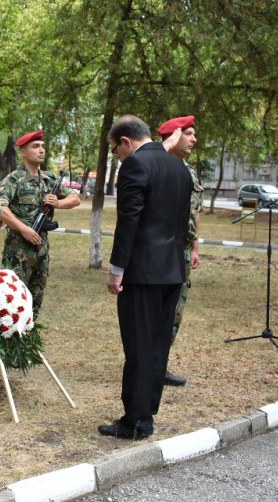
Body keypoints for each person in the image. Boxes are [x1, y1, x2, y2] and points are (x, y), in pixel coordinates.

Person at [100, 115, 192, 440]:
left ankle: (135, 421)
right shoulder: (178, 167)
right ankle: (147, 413)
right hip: (171, 271)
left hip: (142, 273)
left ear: (125, 141)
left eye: (116, 151)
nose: (118, 157)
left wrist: (116, 270)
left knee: (138, 347)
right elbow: (182, 224)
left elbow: (129, 220)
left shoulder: (135, 165)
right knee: (156, 348)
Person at [0, 130, 80, 320]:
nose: (41, 150)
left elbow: (75, 198)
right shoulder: (14, 180)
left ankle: (29, 343)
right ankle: (11, 346)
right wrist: (23, 228)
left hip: (42, 248)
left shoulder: (49, 179)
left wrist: (58, 203)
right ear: (23, 152)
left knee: (35, 301)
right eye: (35, 146)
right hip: (18, 250)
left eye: (42, 146)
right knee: (12, 301)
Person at [158, 115, 203, 387]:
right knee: (157, 308)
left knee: (176, 310)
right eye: (188, 133)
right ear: (173, 136)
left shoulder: (190, 172)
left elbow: (195, 212)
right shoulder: (158, 168)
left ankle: (160, 365)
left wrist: (196, 247)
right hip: (163, 251)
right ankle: (148, 364)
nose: (194, 139)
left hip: (184, 251)